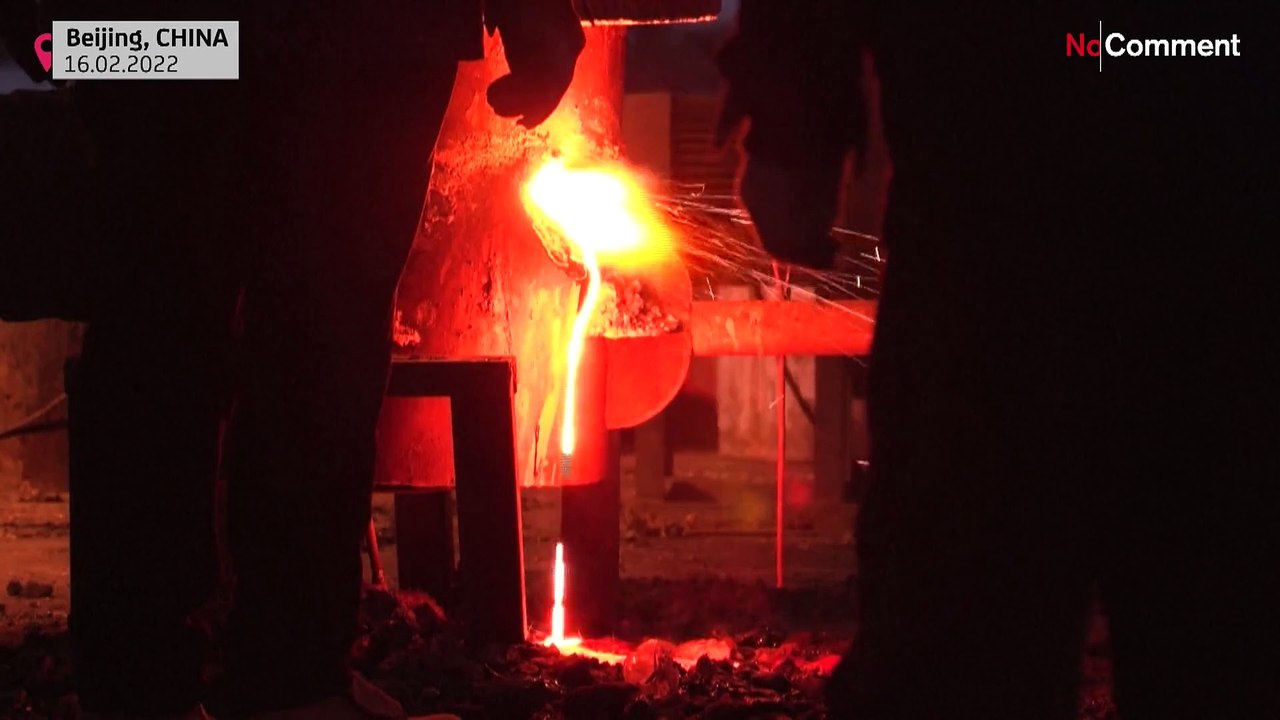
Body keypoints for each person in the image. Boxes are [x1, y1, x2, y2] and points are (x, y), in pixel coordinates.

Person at [1, 1, 584, 718]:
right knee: (304, 336)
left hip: (197, 39)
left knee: (169, 327)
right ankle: (282, 680)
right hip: (349, 39)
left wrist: (57, 36)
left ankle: (157, 679)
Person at [719, 2, 1279, 718]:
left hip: (1004, 237)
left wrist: (794, 130)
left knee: (973, 616)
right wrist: (793, 118)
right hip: (1155, 219)